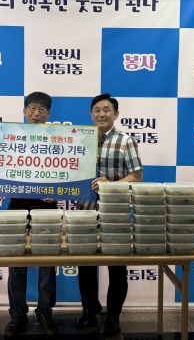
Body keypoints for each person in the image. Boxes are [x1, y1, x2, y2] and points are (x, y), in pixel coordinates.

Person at [75, 93, 143, 337]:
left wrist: (110, 185)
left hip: (115, 213)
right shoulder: (79, 140)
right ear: (91, 114)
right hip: (84, 211)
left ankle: (113, 316)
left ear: (116, 114)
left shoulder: (126, 141)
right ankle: (89, 308)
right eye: (96, 110)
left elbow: (136, 176)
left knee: (117, 267)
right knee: (85, 265)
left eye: (106, 110)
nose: (101, 114)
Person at [4, 92, 59, 337]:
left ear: (49, 114)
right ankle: (17, 314)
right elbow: (0, 167)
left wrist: (56, 191)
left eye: (42, 109)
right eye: (32, 108)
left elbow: (67, 172)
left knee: (47, 264)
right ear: (24, 111)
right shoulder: (10, 137)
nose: (37, 113)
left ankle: (45, 312)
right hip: (17, 207)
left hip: (46, 210)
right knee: (16, 263)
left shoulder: (59, 140)